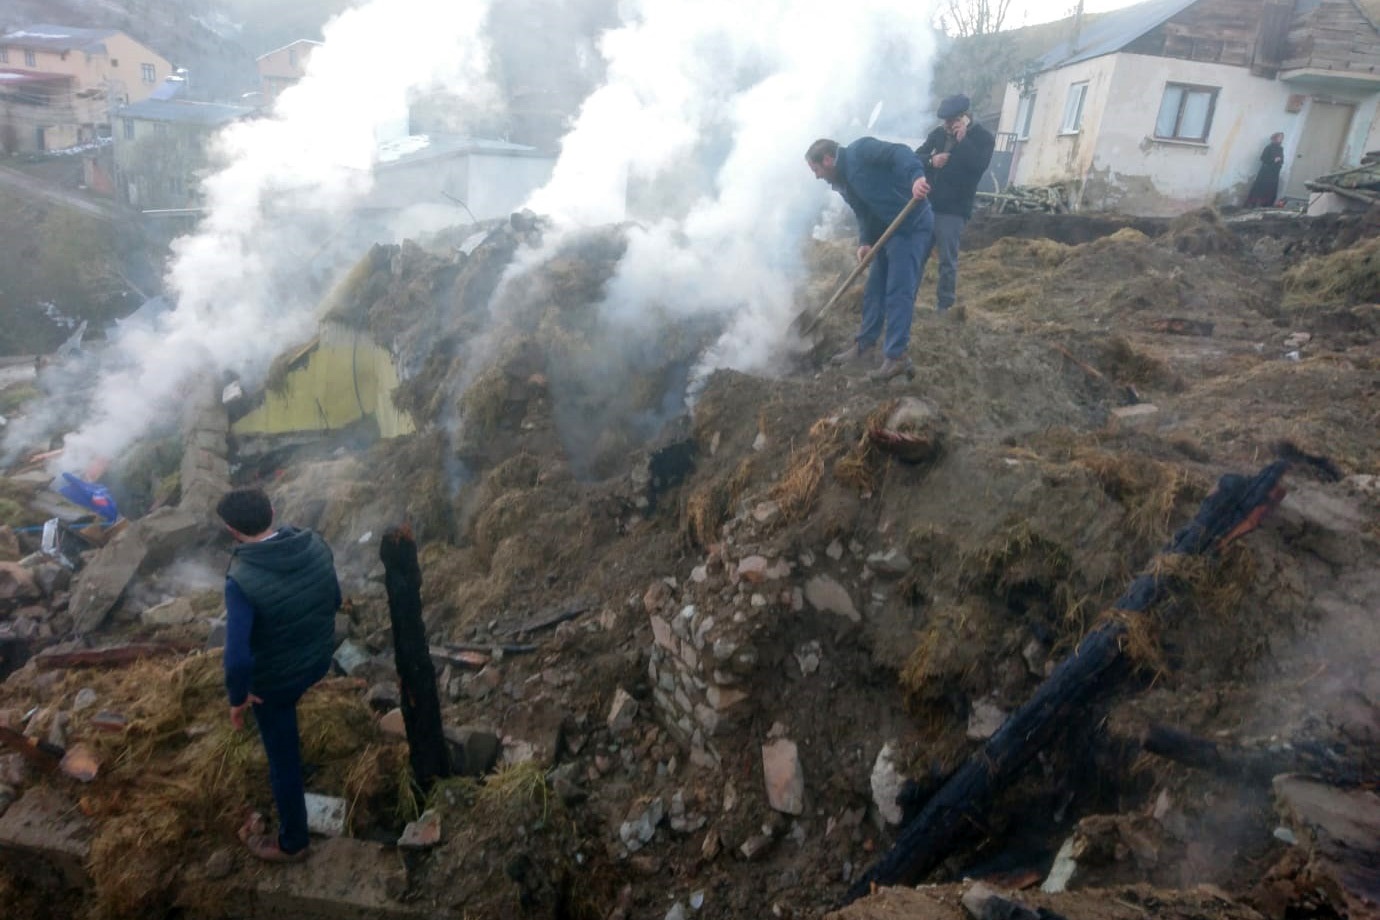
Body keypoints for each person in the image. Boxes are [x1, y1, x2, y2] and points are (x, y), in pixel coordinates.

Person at [218, 487, 341, 862]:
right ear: (273, 511)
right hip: (319, 659)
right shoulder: (315, 544)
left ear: (232, 532)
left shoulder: (240, 579)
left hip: (279, 683)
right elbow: (334, 599)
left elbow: (237, 660)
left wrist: (238, 700)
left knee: (283, 759)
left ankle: (293, 842)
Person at [806, 136, 933, 381]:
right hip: (886, 232)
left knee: (898, 291)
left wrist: (916, 177)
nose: (817, 176)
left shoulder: (861, 151)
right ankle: (864, 346)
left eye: (817, 169)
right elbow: (862, 211)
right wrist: (865, 241)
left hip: (910, 225)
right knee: (874, 289)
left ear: (828, 159)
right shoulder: (841, 181)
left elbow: (900, 152)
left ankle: (896, 357)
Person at [914, 94, 996, 315]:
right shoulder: (938, 135)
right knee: (917, 256)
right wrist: (932, 160)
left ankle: (945, 306)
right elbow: (916, 157)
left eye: (951, 121)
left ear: (965, 117)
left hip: (954, 210)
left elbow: (978, 167)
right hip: (927, 206)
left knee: (947, 261)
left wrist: (963, 141)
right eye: (945, 121)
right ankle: (907, 298)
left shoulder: (983, 139)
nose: (947, 125)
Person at [1245, 132, 1286, 208]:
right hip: (1266, 172)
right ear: (1275, 138)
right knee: (1260, 188)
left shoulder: (1280, 149)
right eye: (1279, 137)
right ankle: (1252, 204)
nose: (1281, 139)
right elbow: (1263, 158)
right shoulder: (1269, 147)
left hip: (1274, 173)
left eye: (1282, 138)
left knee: (1270, 190)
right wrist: (1273, 160)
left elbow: (1282, 160)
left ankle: (1266, 205)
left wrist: (1279, 161)